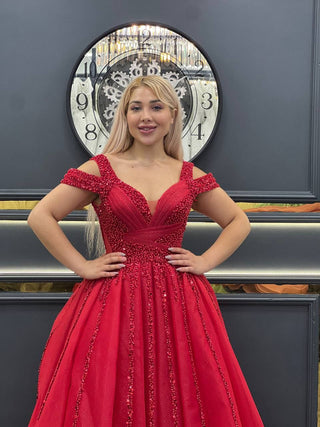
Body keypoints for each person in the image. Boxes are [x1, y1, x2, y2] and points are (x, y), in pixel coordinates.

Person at [28, 75, 264, 426]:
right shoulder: (102, 169)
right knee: (112, 387)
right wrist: (83, 266)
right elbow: (41, 215)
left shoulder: (188, 175)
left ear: (172, 115)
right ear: (124, 116)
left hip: (180, 299)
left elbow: (238, 221)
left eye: (155, 108)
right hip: (114, 300)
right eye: (135, 108)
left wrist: (204, 261)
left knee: (184, 390)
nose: (145, 117)